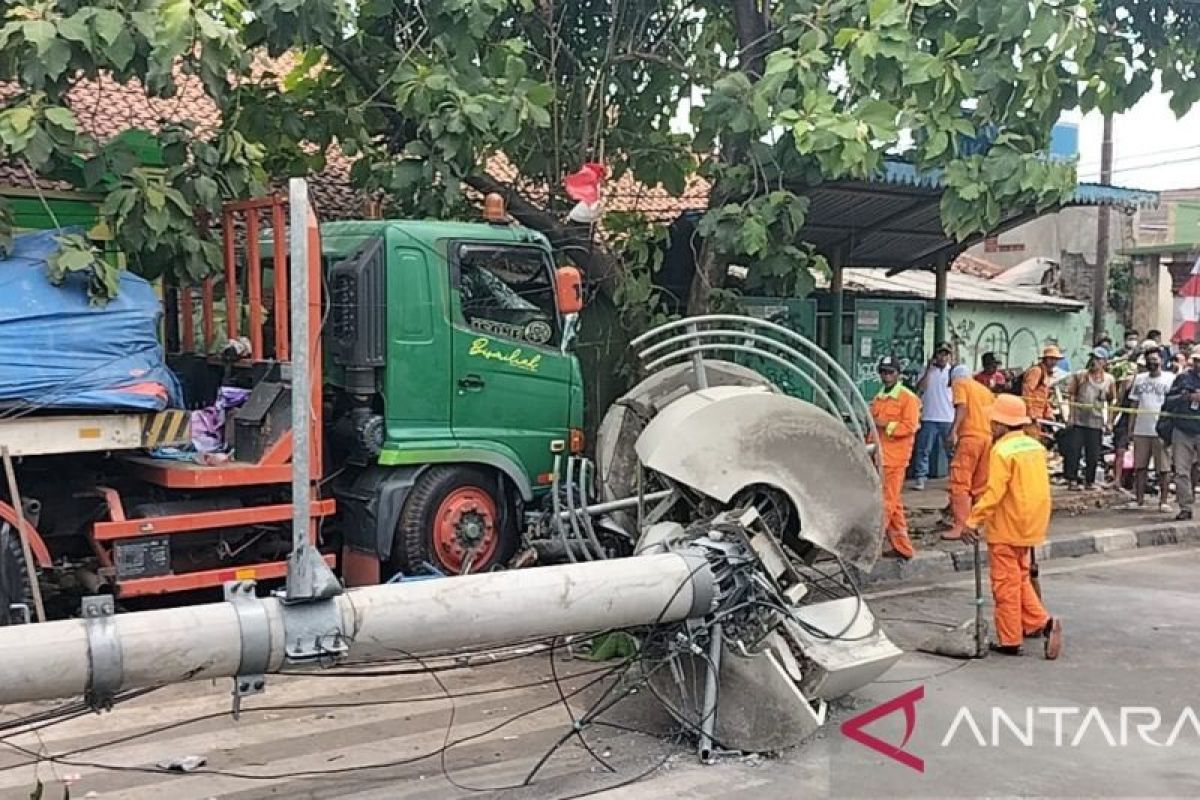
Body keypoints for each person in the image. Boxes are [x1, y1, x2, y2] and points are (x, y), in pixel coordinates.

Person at [963, 394, 1064, 660]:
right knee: (1019, 579)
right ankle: (1042, 622)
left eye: (993, 421)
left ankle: (1010, 639)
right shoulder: (1034, 447)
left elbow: (995, 492)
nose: (991, 425)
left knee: (1005, 585)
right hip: (1031, 525)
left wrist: (973, 520)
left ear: (1000, 423)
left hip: (1007, 526)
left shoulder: (1002, 451)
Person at [870, 356, 921, 558]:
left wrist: (886, 425)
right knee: (894, 503)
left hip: (895, 458)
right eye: (883, 372)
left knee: (886, 503)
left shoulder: (908, 398)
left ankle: (871, 545)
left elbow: (910, 427)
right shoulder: (879, 397)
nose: (886, 376)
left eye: (890, 372)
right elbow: (872, 428)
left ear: (898, 374)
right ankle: (903, 548)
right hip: (880, 456)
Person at [942, 364, 994, 540]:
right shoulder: (984, 390)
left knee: (960, 482)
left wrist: (953, 431)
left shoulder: (960, 383)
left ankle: (962, 527)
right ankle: (979, 524)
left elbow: (962, 406)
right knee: (980, 485)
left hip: (970, 437)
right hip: (987, 438)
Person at [1126, 350, 1175, 511]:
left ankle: (1164, 501)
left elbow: (1173, 404)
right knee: (1140, 467)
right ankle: (1139, 499)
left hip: (1161, 430)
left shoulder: (1170, 379)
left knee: (1163, 468)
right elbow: (1134, 404)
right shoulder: (1139, 379)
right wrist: (1130, 428)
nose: (1151, 362)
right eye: (1148, 360)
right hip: (1142, 429)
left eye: (1154, 359)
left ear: (1161, 360)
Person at [1062, 347, 1116, 490]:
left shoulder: (1109, 380)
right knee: (1074, 451)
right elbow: (1071, 396)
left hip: (1096, 421)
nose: (1094, 362)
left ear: (1104, 362)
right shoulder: (1080, 376)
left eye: (1098, 359)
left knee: (1093, 453)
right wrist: (1070, 416)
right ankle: (1072, 480)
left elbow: (1111, 401)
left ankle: (1089, 481)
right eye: (1093, 358)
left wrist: (1109, 421)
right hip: (1079, 420)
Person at [912, 342, 955, 490]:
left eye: (945, 354)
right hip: (929, 415)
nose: (942, 357)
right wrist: (929, 370)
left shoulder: (952, 372)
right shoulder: (927, 371)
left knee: (951, 450)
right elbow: (920, 388)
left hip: (948, 416)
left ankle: (954, 478)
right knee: (924, 449)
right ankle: (920, 478)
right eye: (940, 354)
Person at [1166, 352, 1200, 521]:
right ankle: (1185, 507)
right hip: (1183, 430)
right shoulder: (1183, 379)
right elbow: (1168, 400)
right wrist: (1188, 397)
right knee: (1181, 471)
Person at [1021, 344, 1062, 438]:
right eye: (1051, 359)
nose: (1054, 362)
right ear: (1045, 359)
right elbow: (1027, 392)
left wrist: (1048, 412)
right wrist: (1030, 413)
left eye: (1055, 359)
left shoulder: (1046, 373)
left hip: (1039, 416)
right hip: (1031, 416)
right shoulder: (1036, 371)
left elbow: (1044, 396)